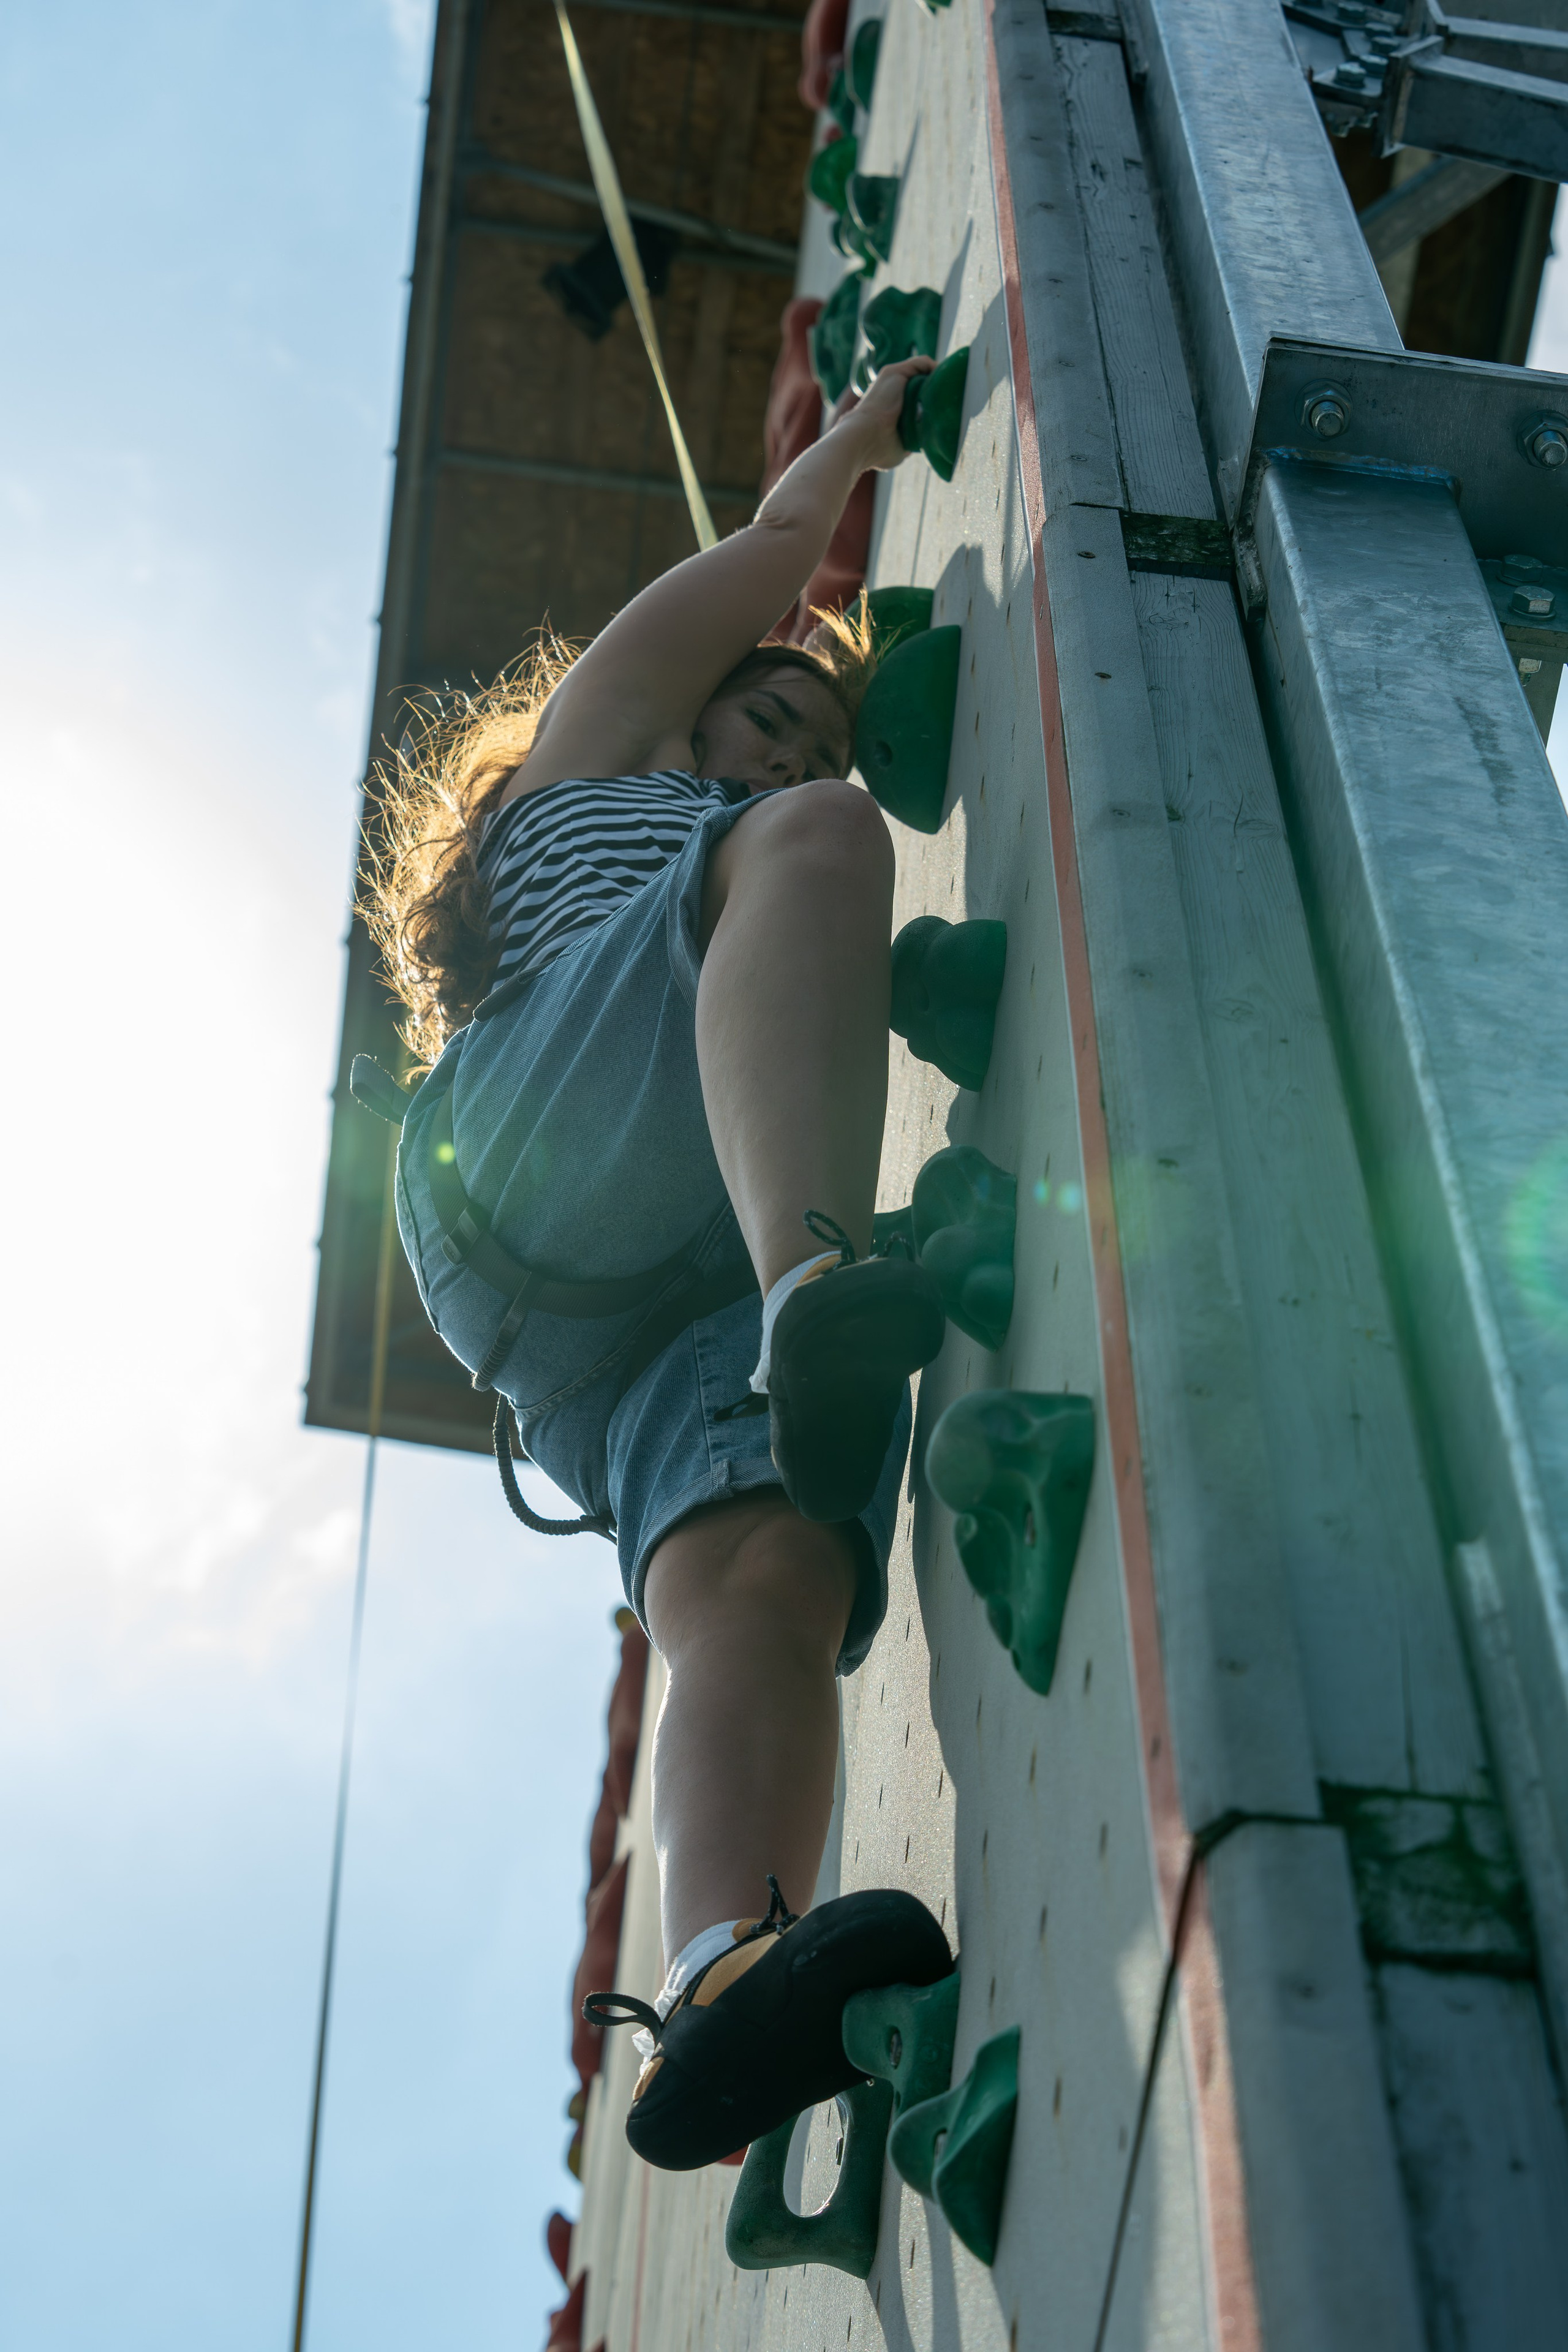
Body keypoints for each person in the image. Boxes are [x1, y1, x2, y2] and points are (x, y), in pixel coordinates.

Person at [371, 356, 953, 2171]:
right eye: (761, 718)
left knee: (758, 1584)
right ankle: (810, 1289)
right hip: (537, 1141)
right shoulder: (593, 772)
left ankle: (721, 1972)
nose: (781, 746)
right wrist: (859, 438)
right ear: (686, 713)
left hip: (619, 1310)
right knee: (811, 854)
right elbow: (770, 556)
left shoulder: (718, 887)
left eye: (812, 734)